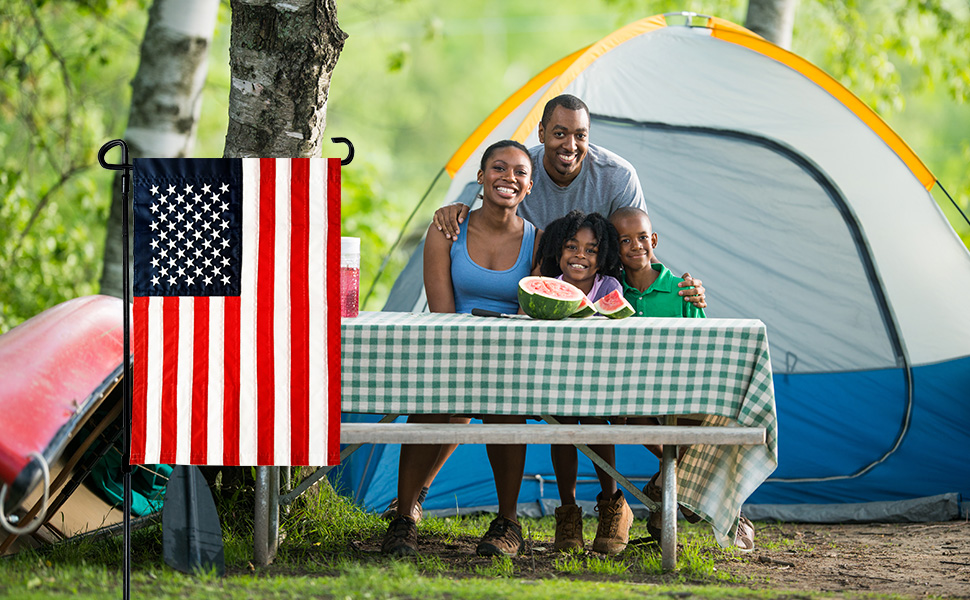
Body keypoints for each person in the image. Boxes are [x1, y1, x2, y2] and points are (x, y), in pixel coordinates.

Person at [384, 95, 708, 523]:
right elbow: (486, 211)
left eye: (579, 136)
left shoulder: (616, 176)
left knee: (602, 404)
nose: (569, 144)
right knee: (465, 396)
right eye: (559, 134)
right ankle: (417, 498)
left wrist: (675, 289)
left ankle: (631, 496)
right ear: (541, 134)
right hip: (530, 317)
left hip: (594, 306)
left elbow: (634, 247)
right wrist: (455, 209)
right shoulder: (519, 166)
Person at [381, 140, 541, 558]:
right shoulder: (447, 229)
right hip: (452, 344)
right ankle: (403, 519)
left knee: (506, 407)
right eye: (498, 168)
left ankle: (508, 523)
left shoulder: (537, 242)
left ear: (529, 186)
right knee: (431, 401)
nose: (509, 177)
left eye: (520, 172)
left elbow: (530, 314)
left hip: (508, 355)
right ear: (481, 177)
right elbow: (442, 312)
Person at [609, 206, 755, 551]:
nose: (635, 246)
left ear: (654, 240)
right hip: (633, 394)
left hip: (684, 391)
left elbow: (704, 351)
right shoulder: (612, 294)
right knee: (624, 415)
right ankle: (671, 479)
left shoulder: (682, 290)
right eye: (624, 240)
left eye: (642, 237)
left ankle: (670, 486)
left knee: (713, 419)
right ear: (614, 248)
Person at [532, 210, 632, 554]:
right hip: (557, 379)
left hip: (598, 380)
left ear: (601, 257)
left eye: (591, 250)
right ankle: (568, 512)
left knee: (593, 425)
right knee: (561, 429)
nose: (580, 256)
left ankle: (612, 503)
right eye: (572, 247)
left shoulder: (610, 287)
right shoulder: (551, 286)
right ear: (558, 251)